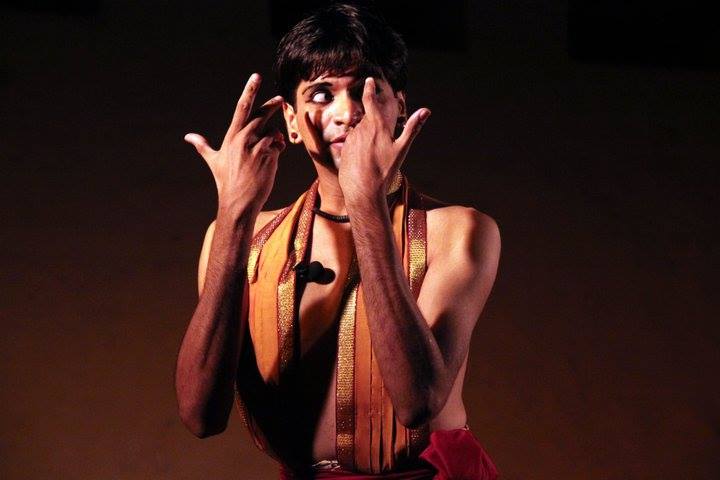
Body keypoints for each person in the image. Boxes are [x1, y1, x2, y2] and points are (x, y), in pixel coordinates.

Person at [175, 3, 501, 479]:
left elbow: (418, 402)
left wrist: (365, 201)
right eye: (322, 94)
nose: (347, 113)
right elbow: (199, 416)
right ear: (290, 119)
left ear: (399, 108)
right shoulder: (244, 239)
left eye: (367, 92)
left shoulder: (459, 231)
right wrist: (233, 217)